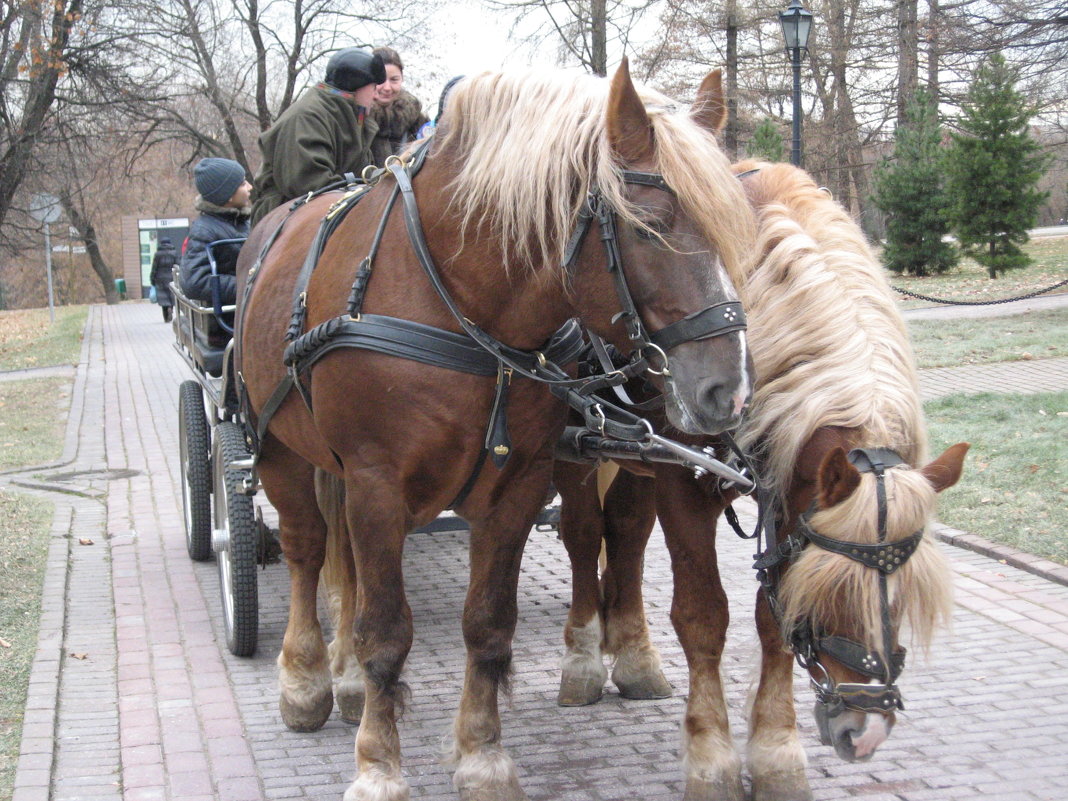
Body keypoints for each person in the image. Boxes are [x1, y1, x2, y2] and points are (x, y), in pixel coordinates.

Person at [250, 47, 385, 226]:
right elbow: (309, 183)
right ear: (356, 86)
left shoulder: (351, 117)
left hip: (325, 210)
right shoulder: (307, 117)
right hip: (282, 217)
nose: (376, 95)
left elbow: (364, 174)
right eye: (373, 87)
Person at [181, 157, 252, 306]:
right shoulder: (204, 230)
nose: (250, 187)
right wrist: (250, 285)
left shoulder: (244, 221)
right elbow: (195, 282)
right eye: (243, 183)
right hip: (230, 318)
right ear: (228, 195)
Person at [369, 47, 429, 167]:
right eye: (380, 80)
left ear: (402, 78)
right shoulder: (355, 118)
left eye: (394, 80)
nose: (387, 87)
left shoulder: (419, 123)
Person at [149, 237, 178, 322]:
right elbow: (178, 265)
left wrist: (152, 279)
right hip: (171, 277)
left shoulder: (157, 254)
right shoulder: (174, 253)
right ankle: (171, 308)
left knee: (163, 298)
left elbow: (154, 268)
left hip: (160, 278)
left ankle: (166, 316)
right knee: (171, 296)